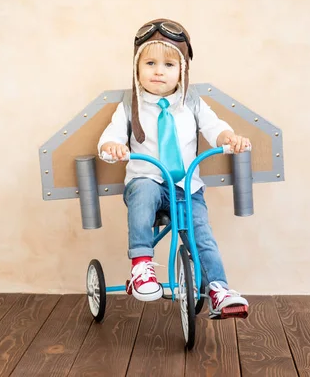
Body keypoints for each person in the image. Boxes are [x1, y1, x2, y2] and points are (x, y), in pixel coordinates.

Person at [97, 18, 250, 318]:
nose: (158, 71)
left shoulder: (190, 101)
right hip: (147, 180)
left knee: (200, 235)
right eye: (150, 63)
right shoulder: (131, 105)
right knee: (141, 196)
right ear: (136, 69)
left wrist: (227, 137)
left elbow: (213, 126)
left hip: (186, 187)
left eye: (168, 65)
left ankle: (218, 288)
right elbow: (111, 135)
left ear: (182, 71)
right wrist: (111, 147)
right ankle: (141, 265)